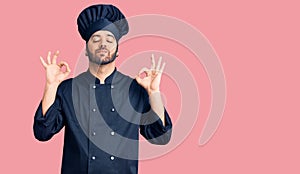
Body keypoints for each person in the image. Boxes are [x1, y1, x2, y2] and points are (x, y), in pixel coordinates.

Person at [33, 4, 172, 174]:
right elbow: (42, 132)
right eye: (96, 39)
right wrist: (51, 86)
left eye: (109, 39)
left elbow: (161, 137)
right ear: (86, 50)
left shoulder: (134, 89)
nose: (103, 44)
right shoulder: (68, 89)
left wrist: (154, 92)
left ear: (117, 50)